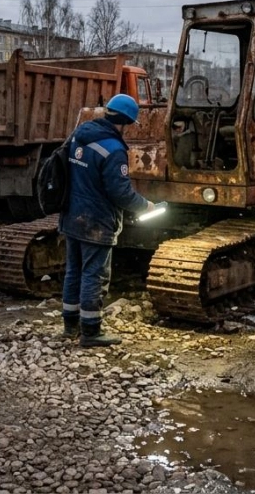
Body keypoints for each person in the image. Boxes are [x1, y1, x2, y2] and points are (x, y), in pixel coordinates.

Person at [58, 93, 157, 347]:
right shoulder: (113, 150)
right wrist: (145, 205)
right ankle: (91, 332)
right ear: (124, 122)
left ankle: (70, 327)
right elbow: (120, 192)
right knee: (94, 275)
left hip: (71, 214)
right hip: (96, 222)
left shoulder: (80, 134)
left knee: (74, 271)